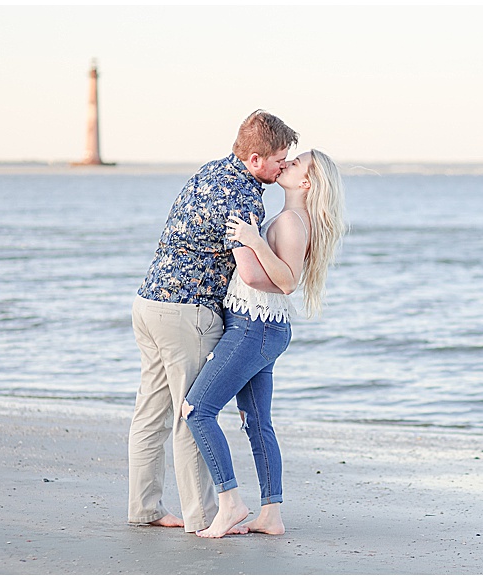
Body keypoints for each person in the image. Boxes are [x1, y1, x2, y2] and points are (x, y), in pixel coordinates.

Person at [128, 110, 298, 534]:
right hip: (188, 312)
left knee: (151, 413)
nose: (283, 166)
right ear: (256, 159)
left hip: (149, 303)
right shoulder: (244, 195)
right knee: (194, 412)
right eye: (280, 158)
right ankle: (206, 515)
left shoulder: (211, 171)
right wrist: (289, 282)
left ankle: (144, 507)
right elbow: (250, 273)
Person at [181, 149, 347, 538]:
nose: (287, 164)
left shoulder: (291, 221)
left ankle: (229, 502)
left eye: (296, 163)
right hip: (264, 326)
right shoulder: (292, 218)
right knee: (257, 423)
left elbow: (286, 281)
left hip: (253, 327)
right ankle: (270, 514)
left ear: (306, 182)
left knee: (197, 410)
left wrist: (253, 239)